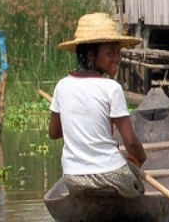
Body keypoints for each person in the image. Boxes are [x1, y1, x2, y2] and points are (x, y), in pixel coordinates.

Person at [48, 13, 149, 197]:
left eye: (118, 53)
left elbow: (54, 133)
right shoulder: (111, 88)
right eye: (111, 53)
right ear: (90, 55)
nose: (117, 58)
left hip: (73, 177)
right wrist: (140, 160)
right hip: (112, 175)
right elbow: (132, 143)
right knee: (137, 181)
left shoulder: (62, 86)